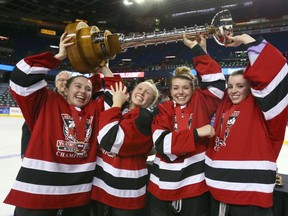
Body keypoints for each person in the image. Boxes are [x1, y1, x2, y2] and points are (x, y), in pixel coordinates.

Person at [4, 32, 121, 216]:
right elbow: (21, 77)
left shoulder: (95, 109)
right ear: (65, 89)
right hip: (37, 194)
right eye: (78, 86)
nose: (83, 91)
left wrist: (104, 69)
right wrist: (58, 57)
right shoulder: (46, 102)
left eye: (88, 89)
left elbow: (118, 96)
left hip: (77, 197)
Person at [205, 34, 288, 216]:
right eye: (231, 86)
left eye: (240, 86)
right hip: (218, 195)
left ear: (252, 89)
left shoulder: (261, 110)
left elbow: (271, 72)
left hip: (249, 200)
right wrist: (201, 50)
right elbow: (212, 83)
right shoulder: (224, 106)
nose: (233, 90)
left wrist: (246, 40)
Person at [147, 33, 226, 216]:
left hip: (195, 185)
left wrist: (198, 50)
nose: (180, 92)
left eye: (185, 88)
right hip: (162, 185)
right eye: (176, 88)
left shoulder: (201, 102)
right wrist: (198, 133)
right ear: (170, 89)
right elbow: (162, 144)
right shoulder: (164, 108)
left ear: (193, 89)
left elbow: (216, 82)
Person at [91, 65, 160, 216]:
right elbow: (115, 87)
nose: (142, 92)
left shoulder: (145, 119)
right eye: (140, 88)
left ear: (151, 102)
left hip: (126, 191)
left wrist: (115, 104)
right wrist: (102, 66)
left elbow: (110, 140)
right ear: (132, 90)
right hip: (102, 184)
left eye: (147, 93)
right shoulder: (122, 108)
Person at [20, 70, 72, 159]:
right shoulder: (44, 100)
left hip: (68, 154)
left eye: (68, 80)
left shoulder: (78, 102)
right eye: (61, 80)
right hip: (44, 153)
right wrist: (25, 153)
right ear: (56, 83)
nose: (64, 83)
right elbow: (27, 127)